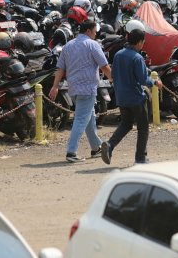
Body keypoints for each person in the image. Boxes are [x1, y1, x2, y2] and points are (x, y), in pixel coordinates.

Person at [49, 20, 112, 162]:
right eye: (95, 31)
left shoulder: (67, 46)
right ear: (89, 31)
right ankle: (71, 152)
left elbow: (60, 69)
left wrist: (55, 86)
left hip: (73, 88)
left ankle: (96, 148)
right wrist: (114, 79)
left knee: (89, 118)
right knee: (81, 119)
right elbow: (104, 66)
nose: (96, 34)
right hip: (87, 88)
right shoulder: (92, 45)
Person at [101, 28, 161, 165]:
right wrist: (155, 82)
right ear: (139, 42)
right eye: (143, 41)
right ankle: (140, 159)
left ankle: (110, 145)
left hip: (121, 97)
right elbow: (143, 80)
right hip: (136, 98)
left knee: (126, 124)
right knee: (143, 128)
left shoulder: (118, 55)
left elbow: (113, 75)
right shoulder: (137, 57)